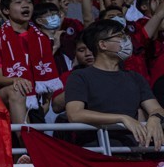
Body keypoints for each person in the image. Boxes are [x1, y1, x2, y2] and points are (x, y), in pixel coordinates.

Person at [66, 19, 164, 149]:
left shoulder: (135, 77)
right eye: (120, 37)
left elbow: (156, 109)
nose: (127, 41)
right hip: (97, 153)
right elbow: (75, 114)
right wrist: (122, 118)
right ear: (102, 45)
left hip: (132, 152)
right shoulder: (80, 77)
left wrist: (155, 118)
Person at [0, 0, 63, 123]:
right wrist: (15, 80)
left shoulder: (42, 39)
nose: (25, 5)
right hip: (7, 96)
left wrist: (46, 104)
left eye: (29, 2)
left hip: (38, 104)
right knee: (16, 90)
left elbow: (48, 76)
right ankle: (26, 138)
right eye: (18, 2)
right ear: (6, 11)